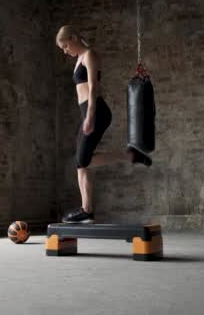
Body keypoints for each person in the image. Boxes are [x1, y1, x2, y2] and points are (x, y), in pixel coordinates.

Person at [55, 25, 151, 224]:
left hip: (96, 111)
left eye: (65, 46)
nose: (65, 51)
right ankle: (86, 210)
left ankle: (87, 210)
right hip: (89, 112)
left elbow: (93, 89)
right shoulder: (80, 58)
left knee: (82, 161)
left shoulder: (89, 55)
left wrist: (90, 116)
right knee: (81, 162)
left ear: (73, 38)